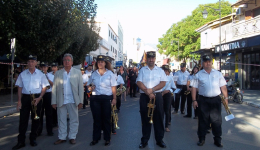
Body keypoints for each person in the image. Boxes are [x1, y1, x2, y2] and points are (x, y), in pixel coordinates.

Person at [12, 55, 49, 150]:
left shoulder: (41, 74)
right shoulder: (22, 74)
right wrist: (19, 101)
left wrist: (40, 97)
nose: (31, 63)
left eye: (33, 61)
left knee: (36, 119)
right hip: (25, 98)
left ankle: (33, 138)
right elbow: (19, 87)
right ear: (27, 63)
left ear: (36, 63)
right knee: (23, 120)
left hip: (36, 98)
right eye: (29, 61)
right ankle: (21, 141)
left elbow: (44, 87)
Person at [191, 55, 228, 147]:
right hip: (203, 100)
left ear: (212, 62)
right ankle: (201, 139)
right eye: (206, 61)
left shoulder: (218, 74)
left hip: (215, 100)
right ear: (202, 63)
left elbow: (223, 86)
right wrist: (194, 100)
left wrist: (226, 98)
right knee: (203, 120)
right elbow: (194, 88)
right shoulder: (198, 75)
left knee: (217, 121)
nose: (208, 63)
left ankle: (217, 140)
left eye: (209, 61)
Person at [136, 51, 167, 148]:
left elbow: (163, 83)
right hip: (145, 96)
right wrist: (147, 92)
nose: (151, 60)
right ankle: (144, 140)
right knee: (145, 119)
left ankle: (159, 140)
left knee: (159, 118)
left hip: (157, 96)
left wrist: (152, 90)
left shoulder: (160, 70)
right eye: (149, 58)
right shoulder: (142, 70)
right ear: (147, 59)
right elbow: (138, 82)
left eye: (152, 58)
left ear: (155, 58)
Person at [52, 53, 84, 145]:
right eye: (65, 60)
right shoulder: (58, 73)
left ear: (72, 62)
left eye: (68, 60)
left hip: (73, 100)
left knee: (74, 119)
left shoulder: (77, 72)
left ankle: (72, 136)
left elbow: (80, 88)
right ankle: (62, 137)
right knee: (61, 119)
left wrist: (81, 101)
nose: (66, 62)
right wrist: (53, 101)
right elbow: (54, 88)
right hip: (61, 99)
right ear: (63, 62)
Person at [88, 55, 117, 146]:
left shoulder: (110, 74)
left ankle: (107, 138)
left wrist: (114, 98)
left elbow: (113, 87)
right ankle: (95, 138)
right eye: (99, 62)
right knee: (96, 119)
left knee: (106, 119)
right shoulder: (93, 74)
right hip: (95, 98)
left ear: (105, 63)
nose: (100, 63)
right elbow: (88, 86)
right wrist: (90, 88)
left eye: (102, 62)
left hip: (106, 98)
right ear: (97, 63)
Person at [37, 62, 54, 136]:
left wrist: (47, 78)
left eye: (45, 67)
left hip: (48, 94)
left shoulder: (51, 75)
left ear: (47, 68)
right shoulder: (38, 75)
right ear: (40, 68)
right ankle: (39, 130)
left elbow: (53, 85)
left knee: (49, 113)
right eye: (42, 67)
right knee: (39, 113)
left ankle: (49, 130)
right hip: (40, 94)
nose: (44, 69)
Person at [161, 65, 176, 132]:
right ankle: (160, 125)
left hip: (167, 94)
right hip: (160, 94)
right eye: (164, 70)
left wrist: (169, 90)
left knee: (167, 110)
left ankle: (166, 126)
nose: (165, 72)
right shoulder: (159, 77)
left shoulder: (170, 78)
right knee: (160, 110)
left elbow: (174, 87)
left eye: (166, 71)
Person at [51, 62, 58, 127]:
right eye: (52, 67)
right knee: (52, 108)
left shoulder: (59, 74)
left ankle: (56, 121)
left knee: (57, 108)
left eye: (55, 67)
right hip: (50, 93)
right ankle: (53, 121)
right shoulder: (49, 74)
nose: (53, 68)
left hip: (58, 93)